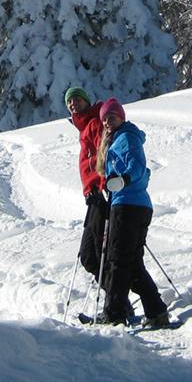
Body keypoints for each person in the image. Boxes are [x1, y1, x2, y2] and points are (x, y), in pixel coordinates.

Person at [96, 98, 169, 328]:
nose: (108, 122)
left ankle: (114, 314)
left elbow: (137, 165)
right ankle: (156, 311)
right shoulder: (118, 139)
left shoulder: (126, 137)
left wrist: (123, 179)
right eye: (105, 119)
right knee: (132, 262)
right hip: (132, 204)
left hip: (128, 205)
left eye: (112, 117)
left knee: (117, 260)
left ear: (121, 117)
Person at [65, 87, 107, 284]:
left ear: (86, 101)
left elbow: (104, 155)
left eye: (77, 100)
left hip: (101, 194)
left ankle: (117, 306)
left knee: (96, 254)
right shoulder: (85, 127)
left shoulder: (95, 123)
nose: (73, 104)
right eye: (69, 102)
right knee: (91, 256)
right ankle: (116, 303)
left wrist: (102, 185)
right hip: (93, 195)